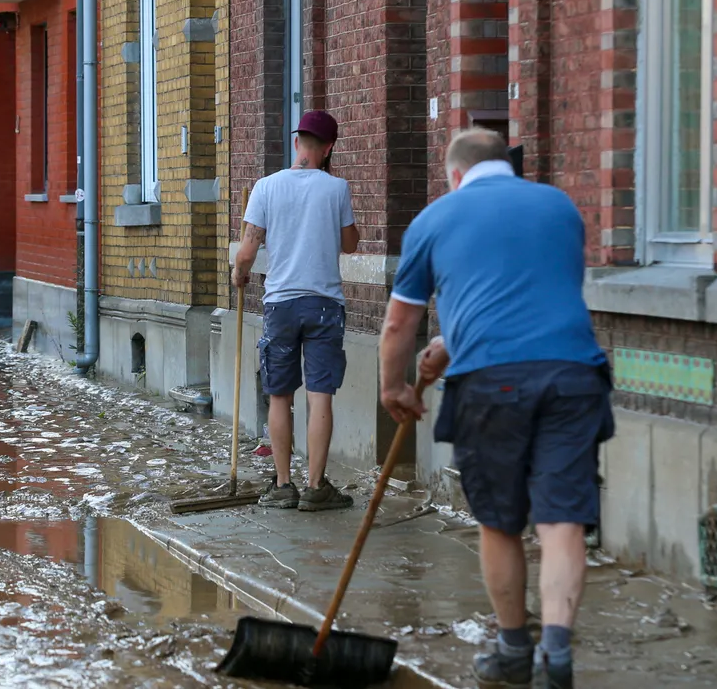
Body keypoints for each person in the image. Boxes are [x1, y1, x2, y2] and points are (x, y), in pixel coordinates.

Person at [378, 129, 613, 689]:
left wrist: (396, 388)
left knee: (500, 522)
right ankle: (556, 652)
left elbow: (397, 324)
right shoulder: (559, 207)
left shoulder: (437, 218)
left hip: (490, 386)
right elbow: (527, 296)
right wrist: (452, 343)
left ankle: (513, 649)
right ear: (507, 167)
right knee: (561, 522)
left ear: (455, 175)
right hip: (572, 376)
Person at [232, 110, 359, 512]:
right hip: (324, 305)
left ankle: (284, 485)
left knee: (279, 396)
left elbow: (248, 251)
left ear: (296, 142)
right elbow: (351, 244)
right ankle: (316, 487)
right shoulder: (337, 188)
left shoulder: (265, 188)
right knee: (320, 396)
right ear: (329, 148)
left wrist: (239, 275)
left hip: (280, 304)